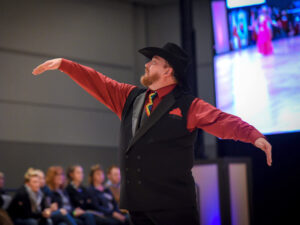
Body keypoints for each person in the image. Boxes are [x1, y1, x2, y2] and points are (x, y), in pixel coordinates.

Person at [32, 42, 272, 225]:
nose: (147, 65)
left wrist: (253, 135)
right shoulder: (131, 96)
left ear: (169, 71)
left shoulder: (188, 104)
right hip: (138, 204)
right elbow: (99, 82)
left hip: (174, 206)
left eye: (154, 61)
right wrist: (65, 64)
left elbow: (222, 121)